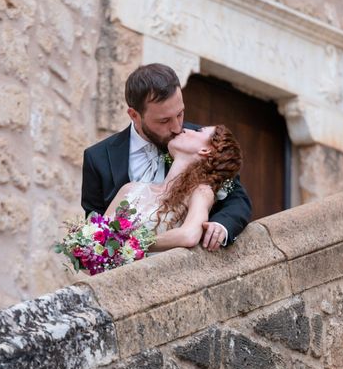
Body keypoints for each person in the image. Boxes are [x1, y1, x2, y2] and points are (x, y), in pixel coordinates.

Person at [81, 63, 252, 251]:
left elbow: (237, 198)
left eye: (180, 114)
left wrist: (220, 226)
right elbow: (95, 233)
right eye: (164, 120)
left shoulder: (197, 142)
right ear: (134, 115)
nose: (177, 127)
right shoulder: (98, 159)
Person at [104, 124, 242, 252]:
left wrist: (134, 245)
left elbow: (189, 235)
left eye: (198, 131)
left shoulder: (201, 192)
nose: (184, 129)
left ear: (205, 150)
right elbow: (95, 239)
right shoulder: (130, 189)